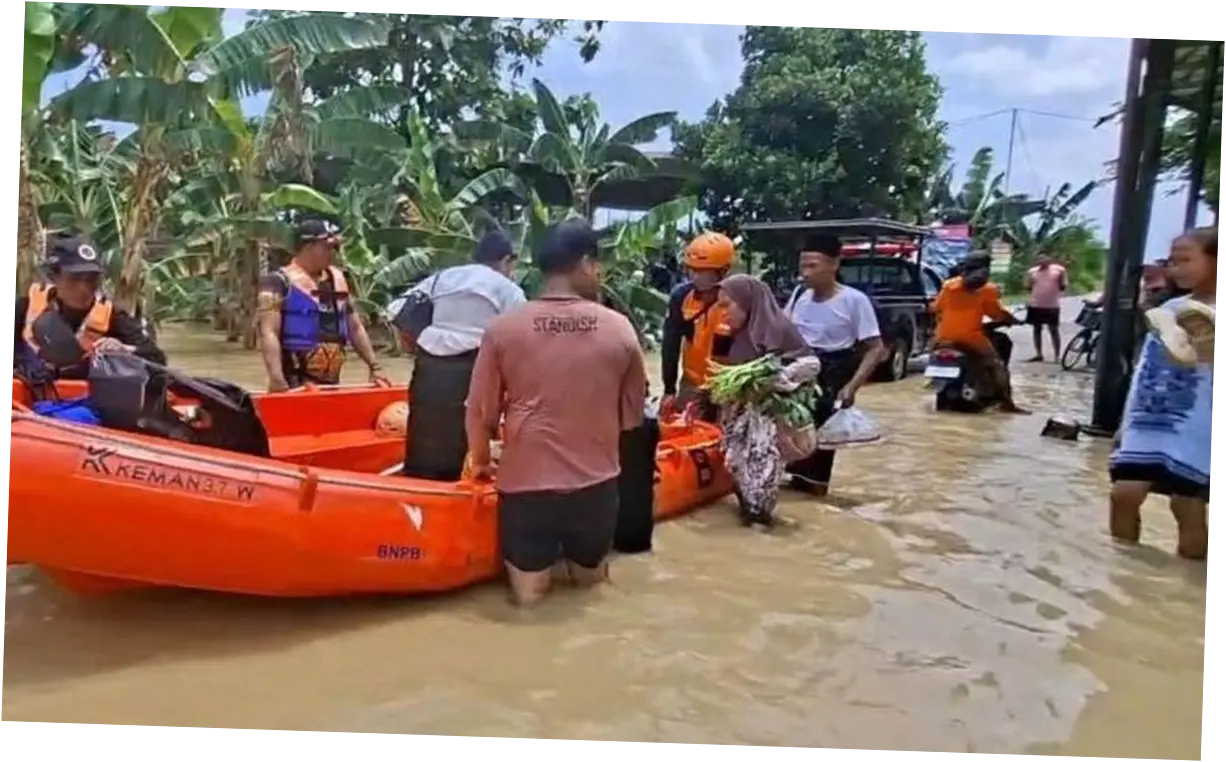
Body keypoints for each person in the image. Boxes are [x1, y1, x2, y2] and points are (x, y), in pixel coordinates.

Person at [465, 219, 647, 607]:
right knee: (593, 591)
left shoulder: (503, 329)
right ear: (585, 264)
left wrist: (480, 461)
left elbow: (481, 413)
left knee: (529, 604)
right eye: (598, 266)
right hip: (596, 487)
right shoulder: (620, 330)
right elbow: (633, 419)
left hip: (526, 488)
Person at [1109, 225, 1219, 559]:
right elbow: (1145, 370)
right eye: (1173, 261)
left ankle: (1186, 582)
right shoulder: (1170, 310)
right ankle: (1126, 574)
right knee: (1123, 495)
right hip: (1150, 416)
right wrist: (1124, 424)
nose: (1176, 268)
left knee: (1186, 506)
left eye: (1186, 260)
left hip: (1198, 422)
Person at [390, 231, 526, 481]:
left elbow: (399, 312)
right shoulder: (509, 289)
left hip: (429, 367)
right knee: (469, 440)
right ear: (508, 260)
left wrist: (416, 345)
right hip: (475, 367)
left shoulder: (443, 278)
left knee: (424, 431)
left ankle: (418, 489)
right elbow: (520, 338)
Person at [781, 234, 888, 496]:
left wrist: (852, 387)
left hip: (832, 373)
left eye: (812, 266)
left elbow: (876, 348)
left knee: (822, 443)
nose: (805, 273)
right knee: (794, 434)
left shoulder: (854, 301)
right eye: (802, 266)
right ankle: (795, 487)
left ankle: (815, 493)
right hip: (799, 371)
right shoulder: (799, 296)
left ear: (834, 265)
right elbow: (782, 332)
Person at [716, 274, 814, 525]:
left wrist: (780, 377)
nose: (723, 313)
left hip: (768, 417)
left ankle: (759, 526)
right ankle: (749, 523)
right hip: (739, 416)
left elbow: (811, 364)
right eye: (720, 307)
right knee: (739, 470)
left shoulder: (777, 329)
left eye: (727, 306)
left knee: (761, 477)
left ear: (747, 302)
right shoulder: (735, 335)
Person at [9, 233, 166, 382]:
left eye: (92, 279)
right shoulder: (23, 309)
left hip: (84, 397)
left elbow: (157, 358)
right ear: (54, 277)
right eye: (74, 279)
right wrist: (22, 363)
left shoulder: (112, 316)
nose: (84, 288)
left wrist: (124, 349)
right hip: (30, 395)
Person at [256, 219, 389, 392]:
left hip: (331, 384)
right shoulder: (277, 282)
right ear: (308, 248)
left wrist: (375, 367)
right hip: (294, 383)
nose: (333, 253)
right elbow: (268, 332)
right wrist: (276, 378)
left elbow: (355, 328)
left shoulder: (338, 280)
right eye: (326, 248)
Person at [930, 252, 1027, 414]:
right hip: (971, 338)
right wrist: (1013, 320)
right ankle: (1007, 403)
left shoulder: (948, 286)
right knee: (997, 364)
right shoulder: (987, 290)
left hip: (943, 337)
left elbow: (936, 307)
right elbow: (997, 314)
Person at [660, 232, 737, 419]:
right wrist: (669, 389)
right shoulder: (681, 297)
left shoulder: (738, 300)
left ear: (723, 271)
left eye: (702, 271)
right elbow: (670, 345)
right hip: (692, 384)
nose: (695, 276)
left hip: (727, 387)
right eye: (691, 269)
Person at [1023, 253, 1068, 362]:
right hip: (1036, 304)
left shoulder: (1059, 270)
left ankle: (1057, 356)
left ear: (1050, 258)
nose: (1042, 260)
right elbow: (1028, 286)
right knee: (1037, 329)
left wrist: (1061, 285)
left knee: (1053, 329)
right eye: (1039, 258)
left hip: (1052, 305)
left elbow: (1063, 285)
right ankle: (1039, 354)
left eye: (1044, 258)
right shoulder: (1032, 271)